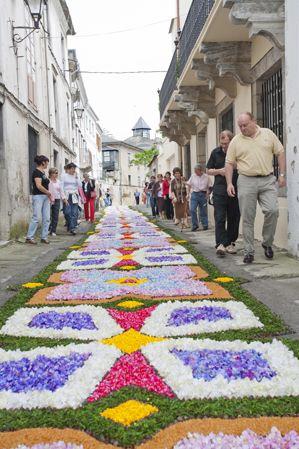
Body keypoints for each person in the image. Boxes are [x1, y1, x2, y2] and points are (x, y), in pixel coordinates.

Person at [226, 112, 286, 264]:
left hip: (267, 179)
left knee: (272, 211)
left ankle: (267, 243)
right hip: (246, 180)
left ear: (253, 121)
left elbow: (280, 152)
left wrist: (282, 175)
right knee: (247, 218)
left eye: (245, 125)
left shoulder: (268, 134)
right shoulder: (236, 141)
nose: (242, 128)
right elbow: (229, 163)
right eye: (240, 126)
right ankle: (249, 251)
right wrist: (229, 183)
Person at [207, 130, 240, 256]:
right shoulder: (215, 152)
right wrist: (219, 171)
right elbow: (208, 170)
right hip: (220, 189)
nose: (224, 146)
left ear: (232, 141)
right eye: (222, 143)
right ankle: (221, 244)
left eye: (227, 143)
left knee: (234, 217)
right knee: (220, 217)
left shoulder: (238, 151)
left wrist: (233, 166)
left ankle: (230, 242)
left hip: (235, 188)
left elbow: (243, 166)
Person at [26, 155, 51, 244]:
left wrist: (48, 194)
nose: (47, 164)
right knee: (36, 217)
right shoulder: (36, 172)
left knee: (47, 218)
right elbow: (39, 186)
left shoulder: (43, 172)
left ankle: (44, 237)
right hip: (38, 196)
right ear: (43, 162)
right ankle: (29, 237)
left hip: (45, 197)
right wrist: (48, 192)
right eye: (47, 162)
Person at [61, 163, 85, 235]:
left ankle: (72, 228)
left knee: (74, 212)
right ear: (68, 169)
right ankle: (69, 224)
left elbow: (80, 185)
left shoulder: (75, 176)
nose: (73, 170)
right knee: (67, 212)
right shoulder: (64, 176)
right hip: (67, 195)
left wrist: (77, 178)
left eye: (74, 169)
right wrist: (63, 197)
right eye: (72, 168)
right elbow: (61, 187)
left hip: (74, 195)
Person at [187, 164, 211, 232]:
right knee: (192, 209)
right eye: (194, 171)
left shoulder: (206, 177)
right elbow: (189, 184)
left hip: (203, 194)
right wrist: (188, 193)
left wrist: (208, 194)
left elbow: (209, 186)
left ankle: (205, 224)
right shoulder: (193, 176)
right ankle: (195, 225)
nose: (195, 173)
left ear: (201, 171)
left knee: (203, 211)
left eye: (196, 171)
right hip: (194, 194)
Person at [48, 168, 67, 236]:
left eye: (56, 173)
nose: (56, 174)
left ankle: (53, 231)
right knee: (48, 215)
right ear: (50, 174)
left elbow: (61, 191)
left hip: (57, 200)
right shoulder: (48, 181)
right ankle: (48, 229)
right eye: (54, 173)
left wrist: (64, 199)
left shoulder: (59, 182)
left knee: (55, 215)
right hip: (48, 199)